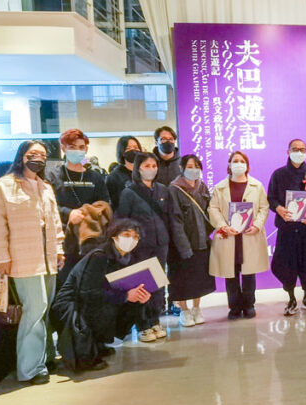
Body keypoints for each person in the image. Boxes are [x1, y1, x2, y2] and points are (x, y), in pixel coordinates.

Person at [0, 141, 65, 385]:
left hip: (48, 259)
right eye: (33, 154)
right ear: (22, 156)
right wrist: (2, 258)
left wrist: (59, 250)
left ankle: (46, 357)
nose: (38, 159)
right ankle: (30, 369)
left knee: (45, 310)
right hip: (23, 260)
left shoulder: (45, 187)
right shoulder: (3, 187)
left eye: (42, 155)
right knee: (34, 309)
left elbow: (55, 222)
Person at [50, 219, 154, 372]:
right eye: (126, 234)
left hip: (92, 301)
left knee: (134, 302)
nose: (131, 240)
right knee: (108, 303)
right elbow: (88, 293)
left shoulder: (127, 259)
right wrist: (125, 296)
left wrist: (139, 296)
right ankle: (86, 350)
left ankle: (98, 343)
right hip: (72, 306)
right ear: (114, 236)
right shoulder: (99, 256)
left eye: (135, 237)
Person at [116, 152, 190, 342]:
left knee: (157, 284)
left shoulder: (163, 190)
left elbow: (171, 217)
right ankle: (143, 325)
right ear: (138, 168)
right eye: (147, 166)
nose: (151, 169)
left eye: (154, 166)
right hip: (139, 247)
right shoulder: (129, 192)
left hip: (160, 245)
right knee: (142, 285)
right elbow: (122, 221)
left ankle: (155, 320)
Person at [208, 151, 270, 320]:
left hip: (249, 235)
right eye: (235, 161)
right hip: (229, 236)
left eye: (242, 161)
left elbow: (264, 208)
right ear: (229, 165)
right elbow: (213, 208)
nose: (238, 164)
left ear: (247, 165)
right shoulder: (220, 187)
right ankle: (234, 306)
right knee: (231, 273)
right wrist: (223, 226)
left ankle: (249, 305)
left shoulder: (256, 186)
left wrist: (257, 225)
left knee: (249, 272)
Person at [47, 129, 110, 287]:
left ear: (86, 149)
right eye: (72, 147)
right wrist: (69, 214)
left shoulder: (96, 177)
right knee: (65, 285)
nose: (78, 151)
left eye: (81, 147)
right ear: (63, 148)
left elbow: (104, 204)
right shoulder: (53, 176)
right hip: (64, 242)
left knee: (90, 285)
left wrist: (87, 213)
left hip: (90, 241)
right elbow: (47, 206)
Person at [269, 139, 306, 316]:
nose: (299, 152)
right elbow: (271, 199)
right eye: (295, 149)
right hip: (286, 230)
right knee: (286, 265)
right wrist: (279, 209)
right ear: (288, 152)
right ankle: (291, 298)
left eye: (302, 149)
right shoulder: (278, 174)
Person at [167, 155, 217, 327]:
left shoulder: (202, 186)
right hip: (181, 244)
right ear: (181, 168)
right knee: (181, 279)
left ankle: (196, 308)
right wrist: (183, 246)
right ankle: (184, 310)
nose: (193, 169)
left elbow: (210, 211)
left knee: (198, 278)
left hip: (201, 241)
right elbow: (175, 221)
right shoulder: (174, 189)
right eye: (189, 166)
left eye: (196, 166)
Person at [106, 136, 143, 209]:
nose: (133, 150)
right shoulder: (114, 177)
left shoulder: (145, 172)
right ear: (122, 152)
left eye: (136, 147)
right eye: (128, 148)